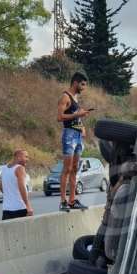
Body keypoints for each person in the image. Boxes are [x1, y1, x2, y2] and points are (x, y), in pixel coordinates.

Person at [57, 72, 91, 212]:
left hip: (77, 135)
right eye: (82, 84)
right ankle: (63, 201)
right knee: (67, 168)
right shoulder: (65, 96)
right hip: (69, 135)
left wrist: (82, 126)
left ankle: (72, 200)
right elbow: (60, 117)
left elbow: (76, 117)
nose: (84, 88)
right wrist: (78, 114)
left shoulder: (76, 98)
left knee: (75, 168)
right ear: (75, 83)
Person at [0, 150, 33, 220]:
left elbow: (0, 187)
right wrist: (28, 206)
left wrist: (10, 194)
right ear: (19, 157)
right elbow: (22, 188)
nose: (27, 159)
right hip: (20, 208)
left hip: (6, 210)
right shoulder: (20, 168)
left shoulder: (4, 169)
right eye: (26, 157)